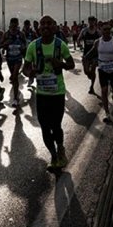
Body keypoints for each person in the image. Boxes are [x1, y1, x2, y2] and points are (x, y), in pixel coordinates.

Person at [23, 15, 76, 170]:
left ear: (54, 27)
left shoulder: (60, 46)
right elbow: (25, 68)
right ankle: (53, 156)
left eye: (49, 24)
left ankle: (60, 149)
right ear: (39, 28)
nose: (45, 27)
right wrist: (30, 72)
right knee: (45, 127)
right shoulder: (33, 46)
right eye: (42, 24)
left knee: (56, 125)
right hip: (42, 94)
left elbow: (71, 64)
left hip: (58, 93)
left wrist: (62, 64)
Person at [86, 21, 113, 121]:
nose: (107, 31)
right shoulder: (97, 42)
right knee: (104, 90)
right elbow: (91, 53)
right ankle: (107, 113)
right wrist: (86, 59)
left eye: (109, 29)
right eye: (104, 29)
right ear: (101, 30)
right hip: (102, 70)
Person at [1, 18, 27, 108]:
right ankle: (17, 93)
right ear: (10, 24)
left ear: (18, 25)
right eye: (13, 25)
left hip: (18, 58)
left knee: (15, 76)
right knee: (13, 78)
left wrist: (23, 47)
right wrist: (5, 45)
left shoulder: (21, 34)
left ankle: (15, 98)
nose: (14, 27)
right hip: (9, 58)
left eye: (16, 25)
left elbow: (25, 43)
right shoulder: (6, 34)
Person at [78, 16, 101, 94]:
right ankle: (90, 76)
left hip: (95, 54)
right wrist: (79, 44)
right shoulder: (84, 31)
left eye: (93, 21)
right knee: (87, 72)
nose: (91, 23)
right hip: (86, 54)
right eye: (90, 21)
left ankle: (92, 87)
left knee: (93, 69)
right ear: (88, 22)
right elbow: (79, 38)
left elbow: (102, 40)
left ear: (95, 22)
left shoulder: (97, 32)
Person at [23, 20, 39, 85]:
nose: (27, 26)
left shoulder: (32, 32)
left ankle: (32, 77)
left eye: (28, 25)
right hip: (25, 51)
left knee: (33, 65)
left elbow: (37, 39)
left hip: (33, 50)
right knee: (28, 65)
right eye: (26, 25)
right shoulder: (22, 32)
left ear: (29, 25)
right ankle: (31, 77)